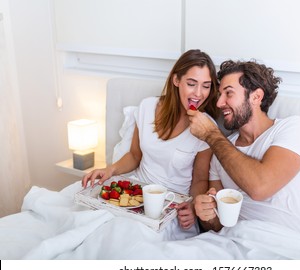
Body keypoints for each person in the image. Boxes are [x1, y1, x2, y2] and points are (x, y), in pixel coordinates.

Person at [82, 49, 219, 234]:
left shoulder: (206, 127)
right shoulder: (147, 106)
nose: (198, 93)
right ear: (176, 80)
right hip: (137, 193)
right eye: (191, 83)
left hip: (170, 205)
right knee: (94, 227)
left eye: (206, 86)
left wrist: (193, 205)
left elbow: (200, 179)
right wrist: (109, 170)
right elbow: (134, 155)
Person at [188, 60, 300, 243]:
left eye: (228, 93)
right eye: (220, 95)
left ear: (256, 97)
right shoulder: (220, 151)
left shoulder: (293, 128)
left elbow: (260, 187)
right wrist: (207, 215)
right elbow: (218, 225)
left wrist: (211, 135)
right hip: (233, 244)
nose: (219, 103)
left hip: (289, 245)